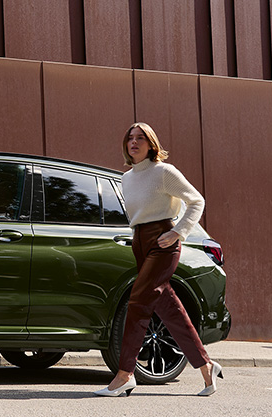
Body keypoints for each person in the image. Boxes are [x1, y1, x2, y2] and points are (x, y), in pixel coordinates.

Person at [93, 122, 223, 397]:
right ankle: (206, 366)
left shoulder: (164, 172)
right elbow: (137, 216)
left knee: (138, 302)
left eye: (141, 138)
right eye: (130, 138)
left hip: (163, 242)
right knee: (170, 310)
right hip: (139, 242)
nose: (134, 142)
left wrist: (178, 232)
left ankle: (125, 373)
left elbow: (196, 200)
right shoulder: (126, 178)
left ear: (151, 144)